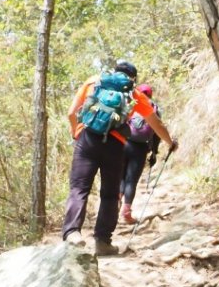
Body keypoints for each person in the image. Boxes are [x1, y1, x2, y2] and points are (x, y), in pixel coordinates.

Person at [62, 60, 178, 256]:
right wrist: (170, 142)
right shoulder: (134, 94)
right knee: (109, 194)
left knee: (79, 188)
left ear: (114, 72)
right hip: (115, 145)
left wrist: (76, 133)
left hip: (87, 139)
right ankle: (102, 242)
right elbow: (156, 123)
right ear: (133, 78)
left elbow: (71, 113)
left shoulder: (93, 82)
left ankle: (73, 234)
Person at [120, 83, 161, 223]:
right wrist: (154, 152)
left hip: (124, 143)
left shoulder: (131, 104)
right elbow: (157, 132)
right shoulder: (153, 107)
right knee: (131, 180)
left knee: (121, 178)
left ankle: (113, 208)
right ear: (150, 95)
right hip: (140, 148)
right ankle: (126, 213)